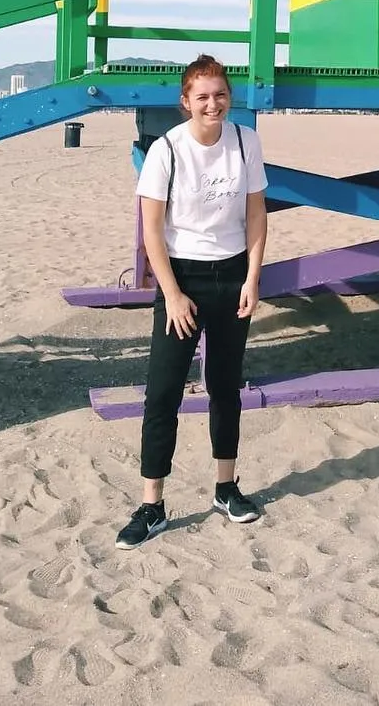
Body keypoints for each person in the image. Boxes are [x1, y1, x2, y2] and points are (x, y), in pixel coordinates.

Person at [115, 54, 269, 549]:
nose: (212, 104)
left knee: (226, 389)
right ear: (186, 102)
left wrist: (252, 278)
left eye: (220, 94)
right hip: (181, 279)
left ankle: (226, 488)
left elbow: (257, 215)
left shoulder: (246, 142)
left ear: (230, 98)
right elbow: (152, 232)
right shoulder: (167, 150)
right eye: (202, 96)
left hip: (232, 279)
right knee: (163, 393)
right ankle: (151, 504)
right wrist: (174, 295)